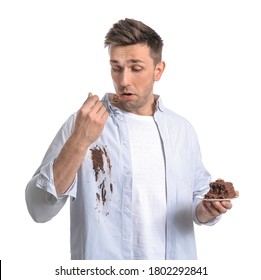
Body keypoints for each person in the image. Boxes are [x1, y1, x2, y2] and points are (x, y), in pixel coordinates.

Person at [25, 18, 238, 260]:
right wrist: (80, 141)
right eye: (116, 67)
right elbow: (38, 208)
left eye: (136, 68)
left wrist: (207, 210)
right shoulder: (82, 123)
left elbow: (196, 201)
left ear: (158, 70)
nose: (123, 80)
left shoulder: (182, 130)